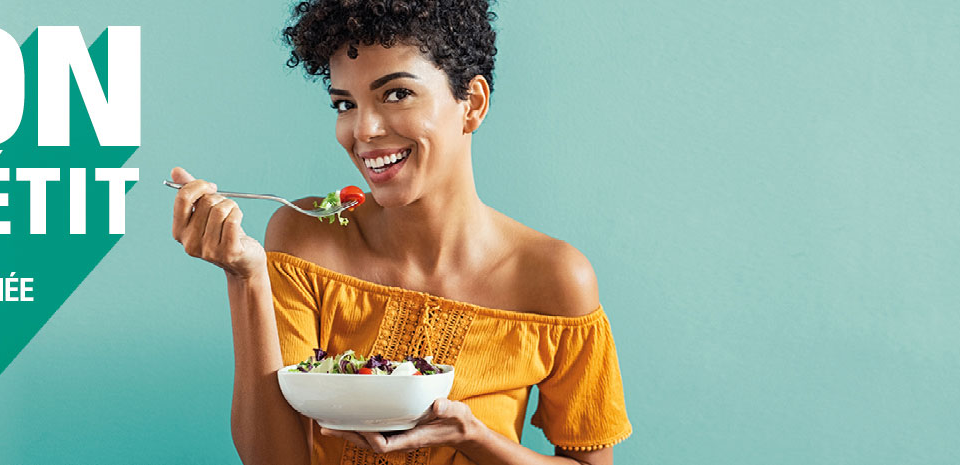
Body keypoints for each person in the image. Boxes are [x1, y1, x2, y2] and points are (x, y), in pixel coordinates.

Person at [171, 1, 629, 463]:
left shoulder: (556, 279)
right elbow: (274, 460)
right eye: (344, 104)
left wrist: (472, 437)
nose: (362, 130)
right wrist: (244, 276)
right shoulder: (304, 238)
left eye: (395, 94)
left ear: (472, 103)